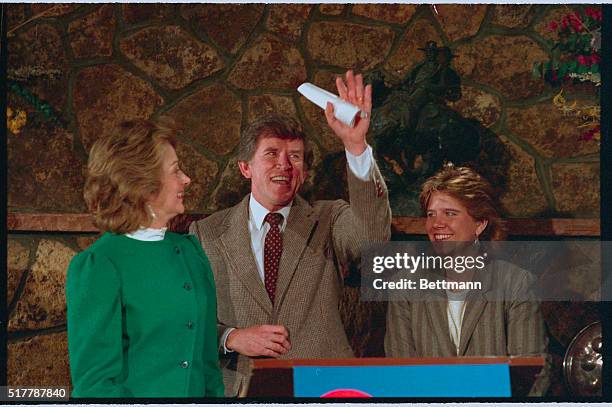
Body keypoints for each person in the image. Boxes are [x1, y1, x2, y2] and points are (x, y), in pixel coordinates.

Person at [189, 70, 392, 396]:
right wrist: (231, 338)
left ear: (305, 171)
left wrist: (356, 147)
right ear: (245, 167)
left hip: (324, 389)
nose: (284, 165)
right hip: (240, 390)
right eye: (271, 154)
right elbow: (186, 323)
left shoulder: (329, 218)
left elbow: (373, 242)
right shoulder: (206, 234)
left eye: (295, 156)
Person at [66, 119, 224, 397]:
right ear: (144, 183)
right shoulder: (100, 265)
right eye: (176, 171)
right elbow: (95, 387)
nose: (186, 179)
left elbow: (208, 365)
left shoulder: (191, 251)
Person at [385, 164, 549, 395]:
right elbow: (400, 376)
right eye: (431, 214)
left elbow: (533, 375)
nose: (436, 224)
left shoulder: (516, 283)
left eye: (450, 213)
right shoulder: (405, 286)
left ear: (480, 224)